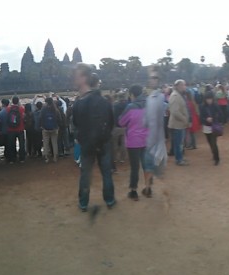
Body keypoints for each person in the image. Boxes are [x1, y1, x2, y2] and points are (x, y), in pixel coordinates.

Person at [72, 65, 117, 212]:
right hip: (103, 143)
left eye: (77, 75)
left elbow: (76, 125)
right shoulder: (103, 101)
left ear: (84, 78)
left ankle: (83, 202)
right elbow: (111, 122)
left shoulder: (78, 103)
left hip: (87, 145)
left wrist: (83, 139)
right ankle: (109, 200)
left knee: (86, 175)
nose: (74, 78)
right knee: (106, 173)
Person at [118, 85, 153, 200]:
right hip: (147, 139)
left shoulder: (131, 107)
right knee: (147, 165)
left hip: (133, 141)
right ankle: (148, 189)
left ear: (132, 94)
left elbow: (122, 122)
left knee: (134, 167)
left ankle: (133, 192)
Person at [168, 80, 191, 166]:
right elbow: (175, 112)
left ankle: (180, 157)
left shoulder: (179, 95)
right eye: (183, 85)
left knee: (180, 143)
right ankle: (179, 159)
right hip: (177, 124)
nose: (185, 87)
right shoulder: (175, 96)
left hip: (180, 124)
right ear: (177, 86)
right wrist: (185, 119)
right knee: (178, 144)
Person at [39, 96, 65, 163]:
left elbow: (40, 118)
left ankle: (46, 157)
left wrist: (42, 126)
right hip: (54, 128)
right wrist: (57, 126)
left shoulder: (43, 109)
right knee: (54, 143)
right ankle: (55, 157)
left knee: (46, 143)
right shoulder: (55, 109)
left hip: (45, 129)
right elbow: (59, 119)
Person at [200, 94, 223, 166]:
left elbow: (221, 114)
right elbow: (201, 117)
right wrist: (206, 119)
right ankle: (214, 154)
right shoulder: (202, 107)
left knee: (214, 143)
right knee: (210, 142)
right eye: (208, 99)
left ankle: (217, 158)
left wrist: (214, 118)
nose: (209, 100)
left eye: (210, 99)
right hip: (206, 127)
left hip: (214, 126)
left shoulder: (216, 105)